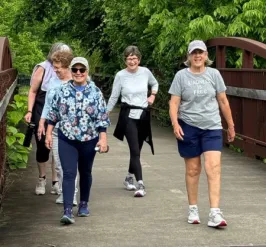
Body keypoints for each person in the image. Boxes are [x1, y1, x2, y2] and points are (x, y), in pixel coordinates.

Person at [168, 40, 235, 228]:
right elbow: (174, 103)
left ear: (206, 55)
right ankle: (193, 208)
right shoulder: (181, 76)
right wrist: (175, 124)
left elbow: (223, 101)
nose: (197, 56)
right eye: (194, 53)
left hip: (212, 127)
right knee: (193, 169)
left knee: (213, 167)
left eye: (201, 53)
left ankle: (215, 212)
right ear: (189, 57)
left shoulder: (214, 75)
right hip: (188, 126)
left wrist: (230, 125)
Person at [45, 57, 110, 224]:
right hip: (67, 138)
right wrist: (48, 134)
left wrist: (103, 139)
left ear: (87, 72)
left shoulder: (95, 92)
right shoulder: (61, 91)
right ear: (71, 71)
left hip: (89, 139)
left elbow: (102, 117)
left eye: (82, 70)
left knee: (86, 172)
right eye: (75, 70)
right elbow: (52, 114)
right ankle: (67, 210)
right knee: (68, 173)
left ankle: (83, 203)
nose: (78, 73)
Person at [107, 45, 159, 197]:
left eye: (134, 58)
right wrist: (106, 112)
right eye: (129, 59)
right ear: (125, 60)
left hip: (142, 114)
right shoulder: (120, 75)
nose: (132, 61)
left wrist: (152, 96)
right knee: (134, 150)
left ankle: (129, 177)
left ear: (139, 59)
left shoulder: (145, 72)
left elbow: (155, 83)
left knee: (138, 150)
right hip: (128, 115)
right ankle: (141, 184)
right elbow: (114, 96)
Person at [24, 42, 72, 195]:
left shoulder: (70, 70)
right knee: (43, 144)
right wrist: (30, 111)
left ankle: (55, 181)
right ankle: (41, 178)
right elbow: (33, 91)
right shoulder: (43, 68)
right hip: (42, 106)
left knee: (58, 147)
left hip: (61, 110)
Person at [37, 50, 78, 206]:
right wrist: (42, 122)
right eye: (54, 67)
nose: (55, 70)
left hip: (73, 130)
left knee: (71, 165)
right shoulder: (53, 82)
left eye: (58, 67)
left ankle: (71, 195)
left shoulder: (78, 80)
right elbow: (48, 104)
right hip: (55, 130)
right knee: (60, 165)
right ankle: (62, 191)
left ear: (67, 66)